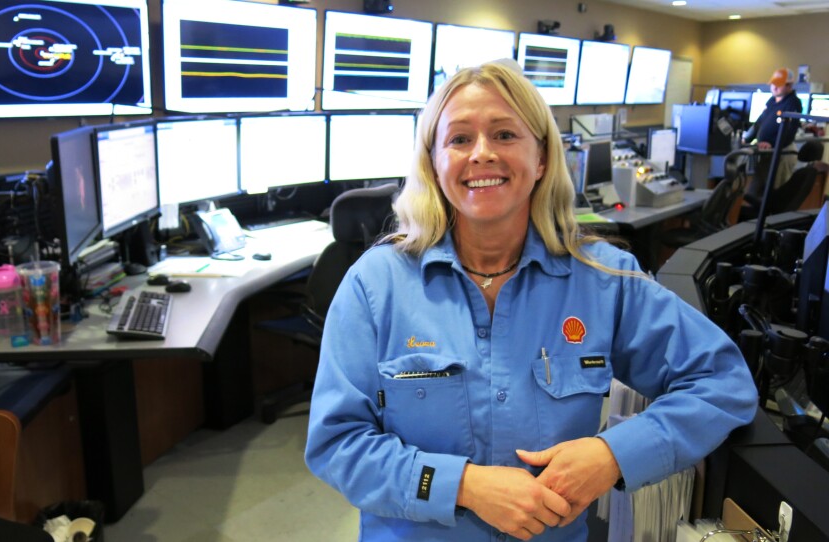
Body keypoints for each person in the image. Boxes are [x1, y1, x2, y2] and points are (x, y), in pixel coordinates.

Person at [305, 60, 758, 541]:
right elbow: (338, 443)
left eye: (504, 135)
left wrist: (613, 455)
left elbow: (722, 382)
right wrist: (463, 486)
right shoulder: (375, 285)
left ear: (541, 158)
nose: (482, 154)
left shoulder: (604, 279)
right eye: (459, 139)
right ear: (434, 164)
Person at [743, 67, 803, 202]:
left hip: (781, 152)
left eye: (779, 84)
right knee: (755, 191)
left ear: (789, 86)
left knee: (775, 193)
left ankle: (772, 220)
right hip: (767, 152)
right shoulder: (771, 101)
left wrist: (772, 143)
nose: (774, 87)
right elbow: (759, 122)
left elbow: (789, 132)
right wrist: (747, 138)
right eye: (773, 84)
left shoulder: (793, 103)